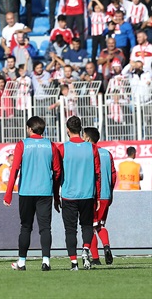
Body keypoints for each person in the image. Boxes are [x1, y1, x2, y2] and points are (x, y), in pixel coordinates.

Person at [2, 116, 62, 271]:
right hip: (45, 192)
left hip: (26, 192)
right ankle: (46, 261)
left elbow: (14, 169)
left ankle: (21, 262)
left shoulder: (22, 144)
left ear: (29, 129)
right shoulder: (51, 145)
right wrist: (56, 195)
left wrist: (8, 194)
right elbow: (57, 171)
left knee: (26, 227)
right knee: (45, 228)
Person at [57, 116, 101, 270]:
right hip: (87, 194)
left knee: (70, 230)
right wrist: (98, 195)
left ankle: (74, 263)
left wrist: (56, 195)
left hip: (69, 194)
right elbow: (97, 173)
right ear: (81, 129)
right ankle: (86, 249)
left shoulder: (62, 148)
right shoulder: (92, 148)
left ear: (67, 130)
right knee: (87, 226)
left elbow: (57, 172)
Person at [83, 127, 116, 266]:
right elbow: (113, 176)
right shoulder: (107, 154)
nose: (83, 139)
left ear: (88, 139)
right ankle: (107, 246)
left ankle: (96, 258)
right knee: (100, 225)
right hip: (106, 195)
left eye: (84, 136)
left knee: (90, 227)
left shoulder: (89, 152)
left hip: (93, 195)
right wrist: (110, 193)